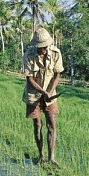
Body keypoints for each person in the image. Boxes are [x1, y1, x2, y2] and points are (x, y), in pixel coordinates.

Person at [22, 26, 64, 166]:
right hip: (34, 94)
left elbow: (57, 74)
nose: (44, 49)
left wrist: (50, 92)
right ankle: (41, 155)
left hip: (50, 94)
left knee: (52, 124)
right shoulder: (28, 55)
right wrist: (43, 92)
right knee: (38, 124)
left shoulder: (56, 53)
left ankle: (52, 158)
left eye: (46, 46)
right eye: (41, 47)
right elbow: (30, 79)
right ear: (36, 46)